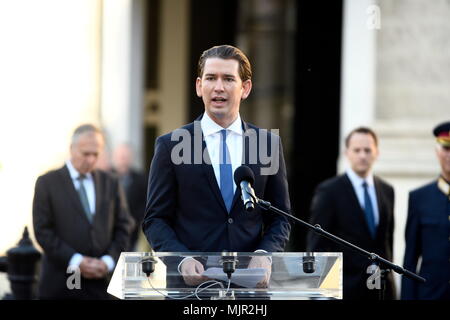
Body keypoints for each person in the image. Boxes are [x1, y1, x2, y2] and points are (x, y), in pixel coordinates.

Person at [142, 45, 291, 287]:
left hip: (249, 288)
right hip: (191, 288)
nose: (219, 87)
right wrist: (181, 259)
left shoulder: (267, 144)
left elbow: (281, 217)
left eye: (228, 79)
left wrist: (265, 255)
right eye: (211, 78)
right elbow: (155, 220)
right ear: (199, 86)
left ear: (246, 88)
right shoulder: (171, 145)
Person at [32, 124, 134, 299]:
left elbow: (124, 225)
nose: (91, 160)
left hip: (102, 284)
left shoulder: (110, 182)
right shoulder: (47, 183)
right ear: (72, 149)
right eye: (86, 153)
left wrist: (108, 261)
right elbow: (43, 230)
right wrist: (76, 260)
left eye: (96, 154)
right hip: (61, 283)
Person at [306, 127, 396, 300]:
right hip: (345, 289)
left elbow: (386, 243)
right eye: (357, 150)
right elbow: (318, 246)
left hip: (381, 290)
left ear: (377, 153)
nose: (362, 155)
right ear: (347, 153)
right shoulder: (329, 191)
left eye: (368, 150)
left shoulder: (387, 191)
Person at [401, 121, 450, 300]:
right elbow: (410, 261)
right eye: (446, 149)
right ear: (437, 152)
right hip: (430, 295)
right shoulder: (419, 198)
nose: (449, 156)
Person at [112, 143, 147, 251]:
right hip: (110, 232)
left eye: (126, 157)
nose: (123, 160)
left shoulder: (141, 179)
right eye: (121, 156)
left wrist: (135, 220)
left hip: (132, 232)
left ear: (131, 158)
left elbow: (146, 203)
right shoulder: (105, 178)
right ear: (114, 157)